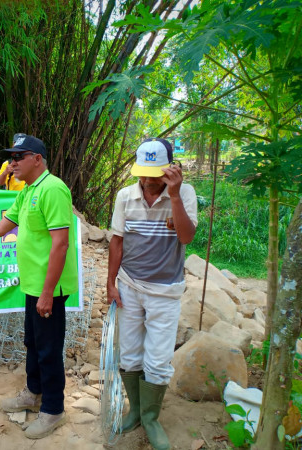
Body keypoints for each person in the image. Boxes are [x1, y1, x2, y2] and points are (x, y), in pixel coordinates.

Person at [0, 135, 78, 439]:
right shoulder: (27, 192)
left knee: (49, 349)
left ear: (37, 158)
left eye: (18, 157)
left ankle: (53, 409)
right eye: (11, 157)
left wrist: (48, 292)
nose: (12, 163)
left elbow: (61, 245)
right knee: (33, 343)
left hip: (50, 287)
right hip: (33, 285)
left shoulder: (53, 189)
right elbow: (1, 227)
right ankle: (33, 393)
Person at [106, 138, 197, 450]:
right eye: (143, 173)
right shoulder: (125, 196)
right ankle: (136, 412)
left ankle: (152, 417)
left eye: (154, 173)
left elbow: (185, 236)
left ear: (170, 169)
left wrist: (174, 196)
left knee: (157, 360)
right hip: (129, 285)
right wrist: (110, 282)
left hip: (166, 291)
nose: (147, 180)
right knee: (129, 354)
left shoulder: (183, 194)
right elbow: (116, 241)